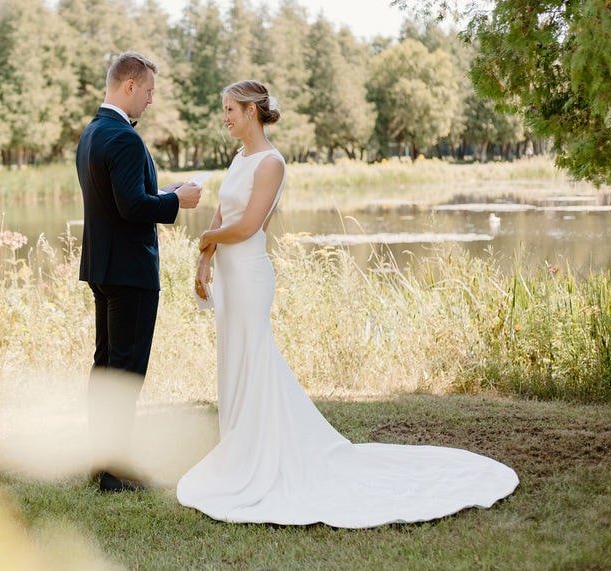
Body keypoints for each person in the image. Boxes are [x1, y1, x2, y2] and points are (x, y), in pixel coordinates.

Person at [176, 80, 518, 526]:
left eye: (230, 110)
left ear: (253, 112)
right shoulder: (239, 158)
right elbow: (223, 215)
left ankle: (260, 456)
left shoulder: (271, 162)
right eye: (223, 109)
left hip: (252, 275)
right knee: (234, 359)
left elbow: (247, 225)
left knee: (255, 357)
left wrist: (206, 237)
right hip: (228, 275)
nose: (225, 117)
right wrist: (205, 260)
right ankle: (239, 448)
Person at [76, 51, 202, 492]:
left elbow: (120, 199)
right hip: (130, 271)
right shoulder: (125, 139)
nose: (150, 100)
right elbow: (132, 207)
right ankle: (115, 471)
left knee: (106, 366)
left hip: (102, 266)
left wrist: (161, 191)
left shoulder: (93, 133)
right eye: (148, 91)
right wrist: (176, 201)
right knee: (125, 370)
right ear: (129, 86)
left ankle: (102, 460)